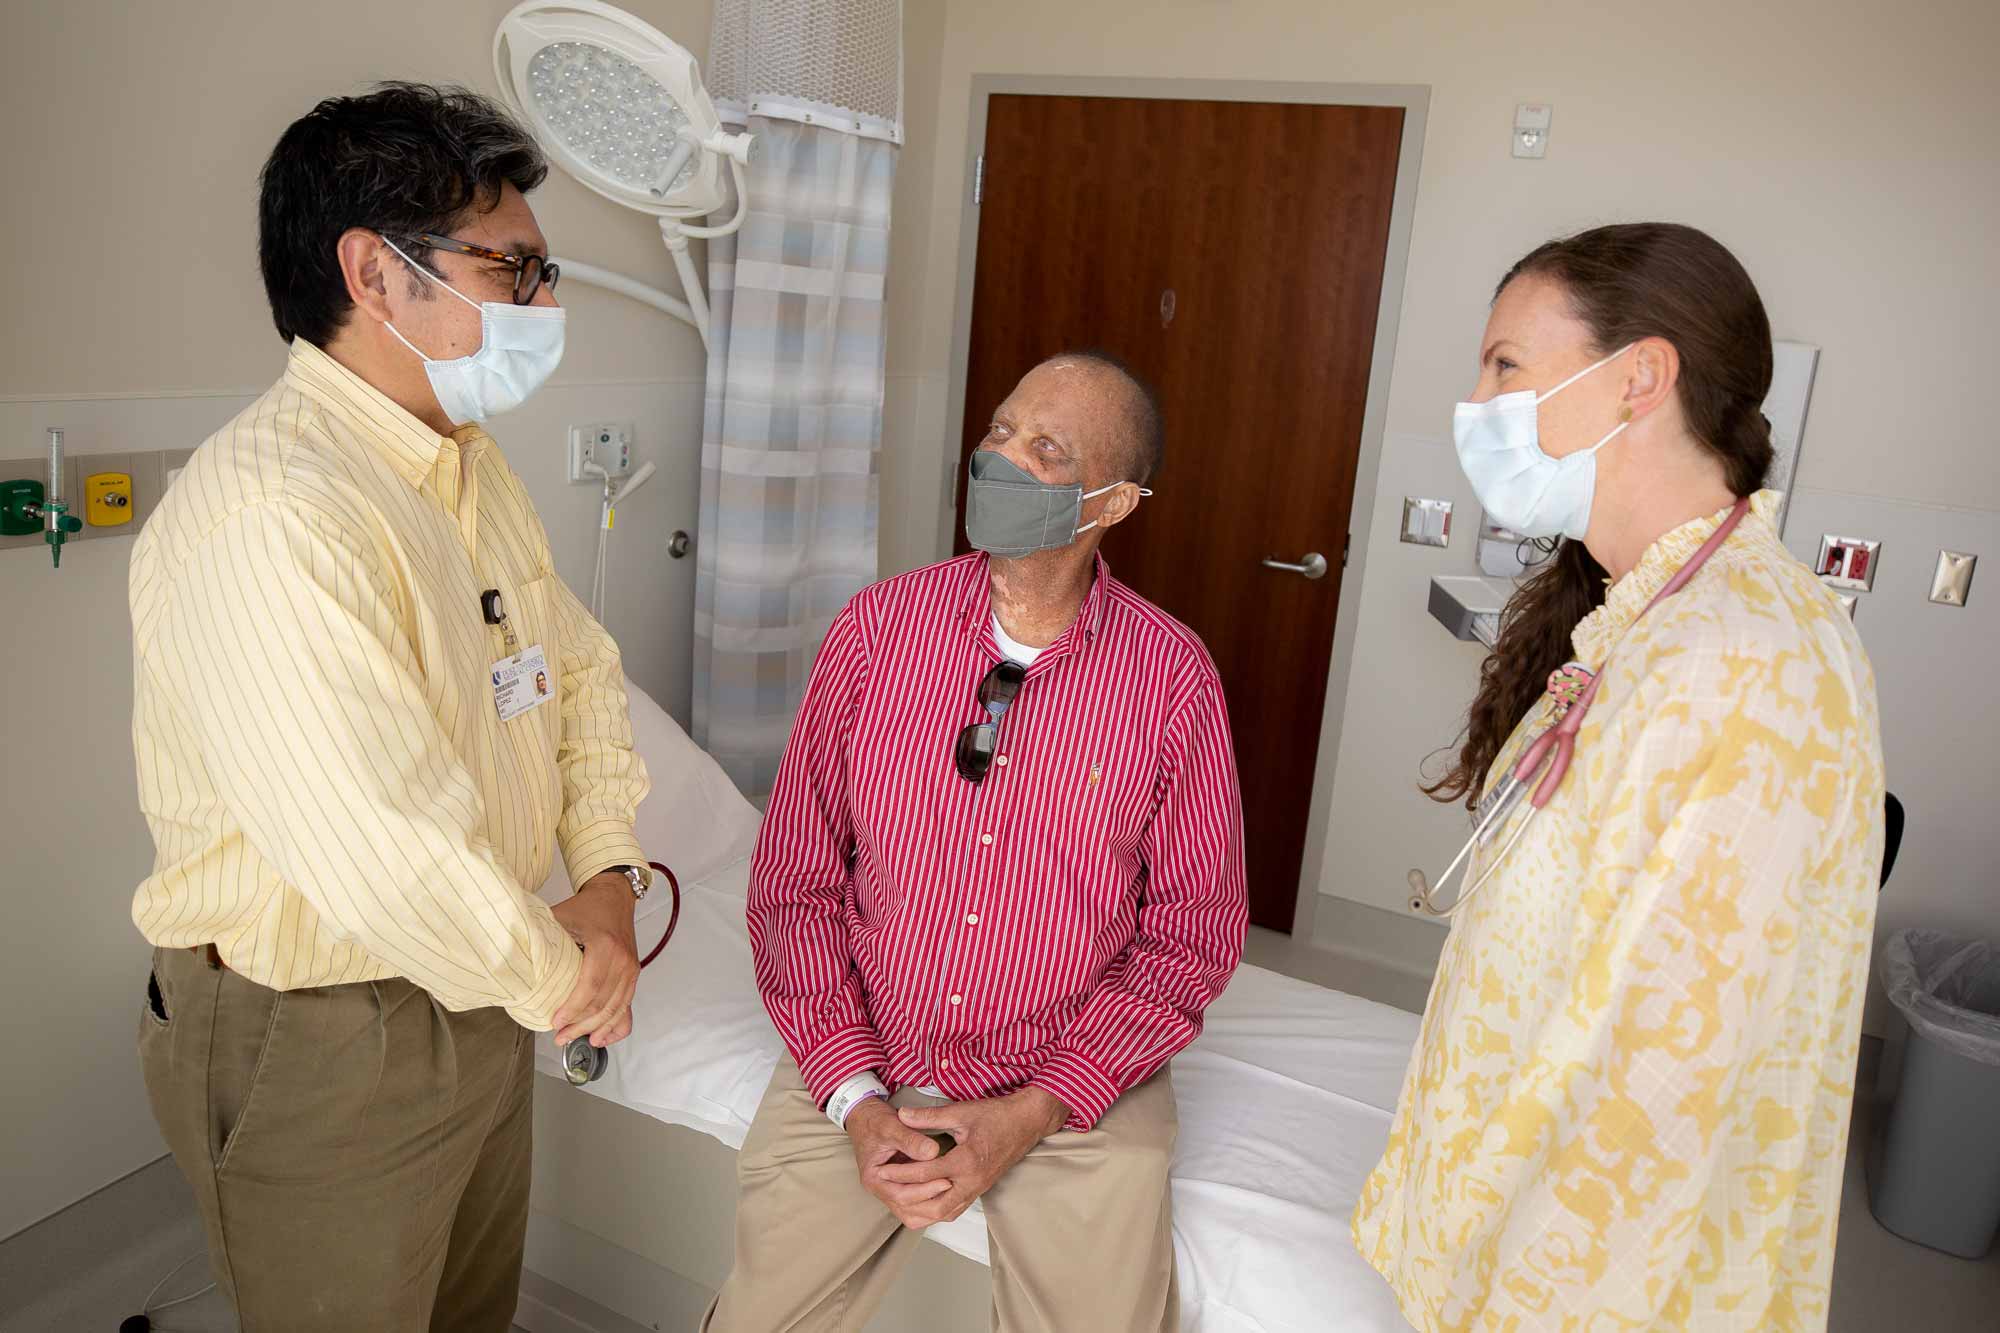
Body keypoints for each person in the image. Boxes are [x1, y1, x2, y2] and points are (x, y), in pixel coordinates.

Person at [128, 84, 656, 1332]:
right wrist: (572, 978)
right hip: (323, 1037)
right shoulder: (278, 516)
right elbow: (388, 852)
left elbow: (575, 671)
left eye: (543, 270)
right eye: (514, 269)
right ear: (375, 272)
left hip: (486, 982)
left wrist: (610, 875)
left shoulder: (461, 465)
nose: (544, 305)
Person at [1352, 223, 1884, 1330]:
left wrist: (1492, 1260)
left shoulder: (1746, 661)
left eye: (1504, 366)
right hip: (1498, 1208)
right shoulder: (1646, 613)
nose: (1476, 402)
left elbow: (1655, 1084)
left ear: (1637, 377)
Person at [707, 353, 1249, 1332]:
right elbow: (793, 883)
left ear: (1114, 501)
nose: (999, 458)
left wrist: (1036, 1108)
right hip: (872, 1042)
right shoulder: (878, 631)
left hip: (1069, 1073)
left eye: (1045, 450)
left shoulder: (1171, 677)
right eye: (999, 431)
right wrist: (854, 1098)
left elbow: (1193, 935)